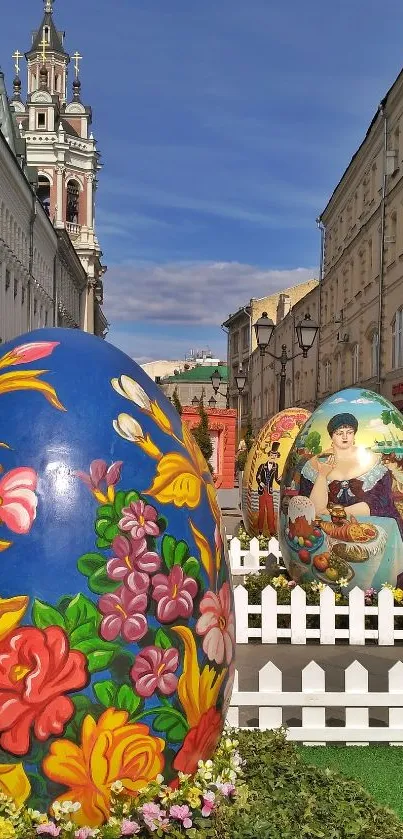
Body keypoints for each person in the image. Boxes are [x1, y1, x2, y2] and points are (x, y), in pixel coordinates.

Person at [299, 412, 403, 535]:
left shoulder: (375, 463)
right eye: (339, 433)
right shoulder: (314, 464)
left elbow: (381, 503)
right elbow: (312, 509)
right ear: (331, 436)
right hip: (325, 531)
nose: (345, 437)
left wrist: (339, 512)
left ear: (354, 435)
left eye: (349, 432)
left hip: (373, 530)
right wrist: (322, 475)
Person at [256, 441, 281, 536]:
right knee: (261, 510)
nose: (273, 457)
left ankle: (272, 530)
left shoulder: (275, 466)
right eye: (271, 455)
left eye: (275, 455)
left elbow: (276, 479)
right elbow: (257, 476)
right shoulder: (262, 466)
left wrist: (280, 482)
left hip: (270, 491)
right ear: (269, 455)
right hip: (262, 490)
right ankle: (260, 529)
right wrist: (260, 483)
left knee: (270, 510)